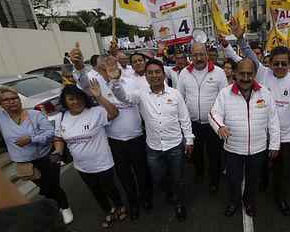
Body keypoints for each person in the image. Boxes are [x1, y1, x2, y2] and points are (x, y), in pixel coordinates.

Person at [222, 17, 290, 216]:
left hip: (284, 138)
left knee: (282, 173)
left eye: (284, 64)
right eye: (276, 63)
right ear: (270, 64)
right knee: (259, 170)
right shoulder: (263, 73)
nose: (279, 67)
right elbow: (249, 56)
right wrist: (240, 39)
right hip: (260, 136)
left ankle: (281, 198)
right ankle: (260, 187)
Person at [110, 60, 194, 221]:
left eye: (158, 72)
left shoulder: (175, 94)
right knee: (158, 177)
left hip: (175, 145)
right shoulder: (140, 94)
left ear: (164, 74)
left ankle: (179, 203)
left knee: (178, 177)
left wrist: (189, 140)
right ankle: (170, 191)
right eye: (150, 72)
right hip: (153, 147)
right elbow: (123, 97)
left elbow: (184, 118)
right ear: (146, 76)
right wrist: (114, 81)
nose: (154, 75)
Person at [73, 52, 152, 218]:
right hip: (115, 141)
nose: (110, 68)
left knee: (141, 171)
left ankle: (145, 198)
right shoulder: (96, 84)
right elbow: (82, 83)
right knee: (124, 175)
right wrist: (80, 67)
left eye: (113, 64)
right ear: (99, 69)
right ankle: (133, 203)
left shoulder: (131, 82)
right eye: (106, 66)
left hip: (136, 136)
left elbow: (142, 102)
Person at [0, 85, 73, 224]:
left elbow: (49, 134)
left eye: (14, 98)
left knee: (54, 185)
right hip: (25, 163)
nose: (12, 101)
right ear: (0, 104)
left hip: (47, 158)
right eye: (6, 100)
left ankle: (65, 207)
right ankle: (54, 206)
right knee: (45, 187)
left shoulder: (34, 115)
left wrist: (31, 139)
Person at [209, 58, 281, 217]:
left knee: (253, 180)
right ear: (235, 74)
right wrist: (219, 126)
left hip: (258, 148)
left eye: (249, 74)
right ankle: (233, 202)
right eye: (242, 74)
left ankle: (249, 202)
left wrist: (274, 144)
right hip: (233, 148)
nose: (246, 78)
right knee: (234, 180)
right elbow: (214, 113)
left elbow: (273, 120)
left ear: (255, 74)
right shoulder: (225, 93)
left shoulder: (265, 93)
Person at [52, 80, 124, 228]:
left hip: (103, 162)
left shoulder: (95, 112)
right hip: (82, 166)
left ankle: (119, 204)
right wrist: (58, 150)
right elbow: (58, 138)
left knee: (109, 188)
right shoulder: (61, 117)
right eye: (71, 99)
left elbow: (114, 113)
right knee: (95, 191)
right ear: (65, 101)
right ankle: (108, 209)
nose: (76, 101)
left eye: (79, 98)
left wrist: (99, 97)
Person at [174, 41, 228, 195]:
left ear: (207, 54)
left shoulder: (218, 72)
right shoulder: (184, 73)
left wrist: (222, 121)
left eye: (201, 54)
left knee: (214, 155)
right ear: (191, 56)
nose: (199, 57)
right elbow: (179, 98)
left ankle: (214, 182)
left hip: (212, 124)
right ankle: (199, 171)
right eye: (195, 55)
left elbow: (224, 98)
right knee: (196, 154)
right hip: (193, 124)